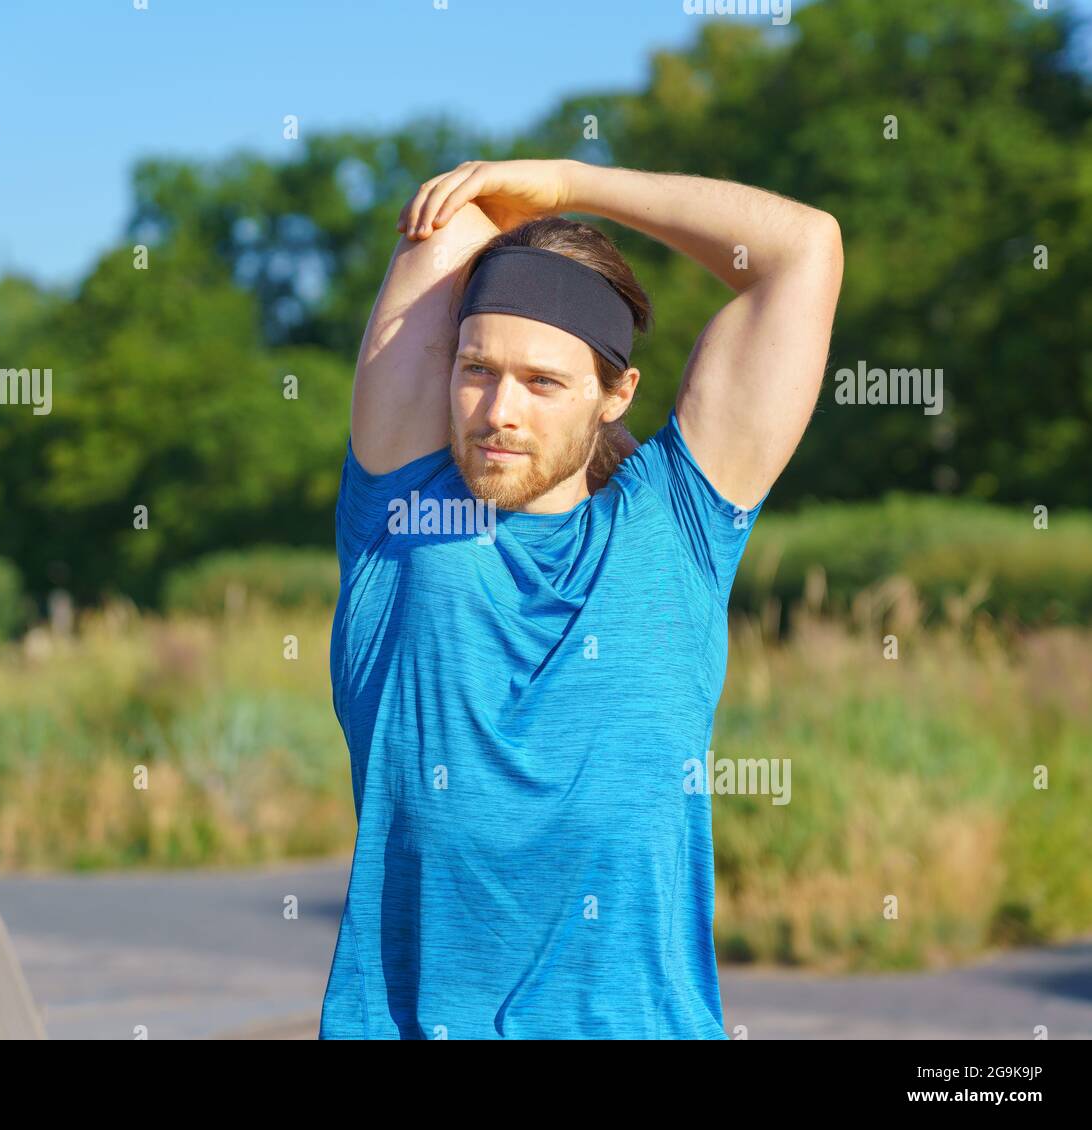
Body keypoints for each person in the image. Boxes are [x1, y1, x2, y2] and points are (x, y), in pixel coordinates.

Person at [319, 159, 843, 1039]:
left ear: (615, 393)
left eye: (544, 381)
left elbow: (803, 249)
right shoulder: (399, 519)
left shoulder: (677, 524)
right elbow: (451, 222)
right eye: (476, 368)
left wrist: (569, 183)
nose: (498, 411)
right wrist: (521, 224)